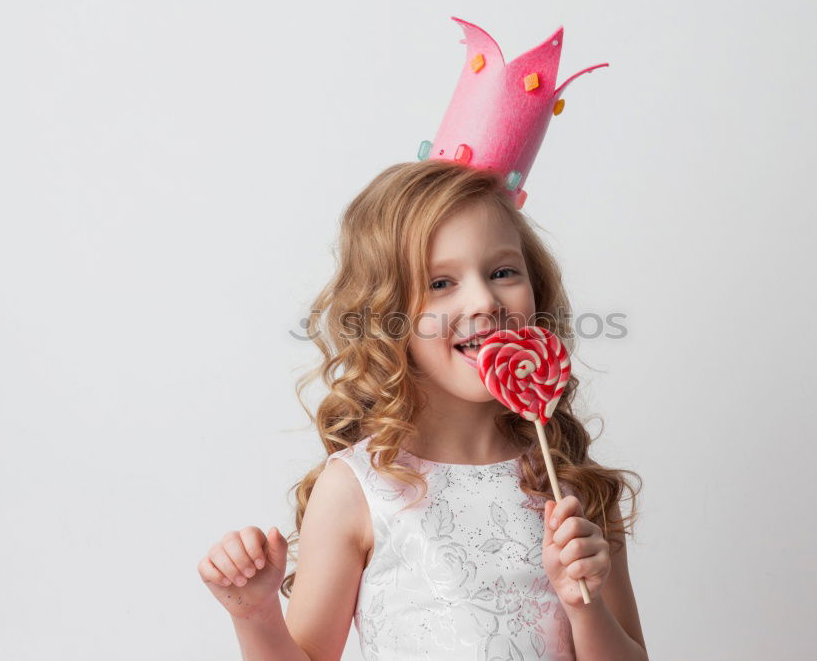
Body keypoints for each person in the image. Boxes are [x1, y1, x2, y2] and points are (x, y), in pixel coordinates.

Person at [197, 160, 648, 659]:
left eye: (502, 272)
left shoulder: (572, 487)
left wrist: (585, 606)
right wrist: (256, 615)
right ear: (388, 318)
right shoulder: (358, 489)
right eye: (440, 283)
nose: (484, 300)